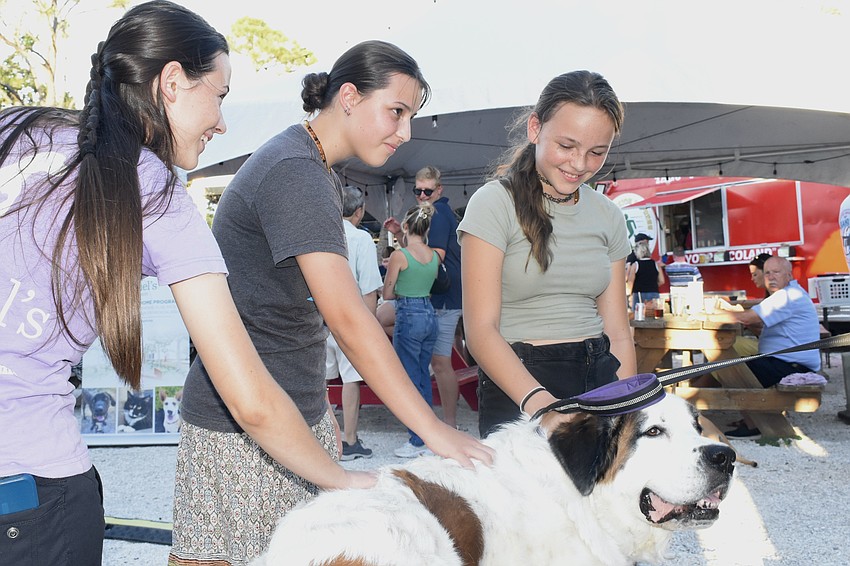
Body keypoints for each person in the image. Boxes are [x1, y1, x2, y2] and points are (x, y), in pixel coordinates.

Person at [0, 3, 373, 565]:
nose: (221, 122)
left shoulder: (18, 126)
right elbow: (251, 401)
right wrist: (343, 481)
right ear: (171, 82)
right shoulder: (158, 197)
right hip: (34, 493)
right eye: (219, 96)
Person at [173, 40, 493, 564]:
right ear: (348, 96)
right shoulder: (294, 170)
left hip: (293, 412)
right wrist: (433, 429)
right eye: (396, 111)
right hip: (244, 429)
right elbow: (348, 318)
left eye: (410, 116)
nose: (405, 131)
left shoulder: (311, 166)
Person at [458, 70, 636, 438]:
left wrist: (626, 407)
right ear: (535, 128)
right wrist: (544, 408)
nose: (580, 163)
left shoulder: (608, 214)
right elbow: (480, 331)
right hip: (520, 385)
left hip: (599, 376)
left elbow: (618, 331)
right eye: (567, 146)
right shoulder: (494, 203)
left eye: (596, 152)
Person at [384, 166, 464, 427]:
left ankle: (448, 423)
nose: (421, 195)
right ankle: (440, 422)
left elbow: (433, 256)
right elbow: (424, 252)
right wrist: (400, 237)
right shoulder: (434, 214)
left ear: (438, 190)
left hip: (442, 297)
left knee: (440, 363)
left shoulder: (438, 215)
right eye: (417, 190)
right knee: (434, 363)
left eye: (426, 190)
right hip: (436, 299)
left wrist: (401, 261)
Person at [712, 256, 821, 437]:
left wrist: (714, 313)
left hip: (791, 366)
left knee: (730, 368)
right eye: (767, 273)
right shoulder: (788, 293)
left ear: (789, 274)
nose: (770, 277)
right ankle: (752, 417)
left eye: (776, 272)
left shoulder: (788, 296)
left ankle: (754, 424)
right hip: (787, 361)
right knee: (727, 362)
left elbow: (747, 318)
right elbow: (759, 323)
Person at [325, 185, 383, 460]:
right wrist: (369, 330)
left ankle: (325, 437)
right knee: (351, 379)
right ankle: (348, 438)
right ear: (359, 212)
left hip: (321, 316)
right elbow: (370, 288)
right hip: (350, 317)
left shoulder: (324, 235)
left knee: (322, 379)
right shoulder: (361, 240)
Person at [383, 203, 440, 456]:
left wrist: (392, 276)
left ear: (405, 227)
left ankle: (418, 439)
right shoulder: (434, 255)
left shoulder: (400, 255)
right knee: (422, 377)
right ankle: (428, 436)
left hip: (409, 313)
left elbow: (387, 293)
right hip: (430, 314)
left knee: (409, 379)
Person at [626, 233, 665, 310]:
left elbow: (630, 281)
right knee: (654, 316)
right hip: (654, 292)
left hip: (639, 294)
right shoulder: (656, 264)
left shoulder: (635, 265)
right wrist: (652, 285)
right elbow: (662, 281)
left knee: (638, 317)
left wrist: (629, 294)